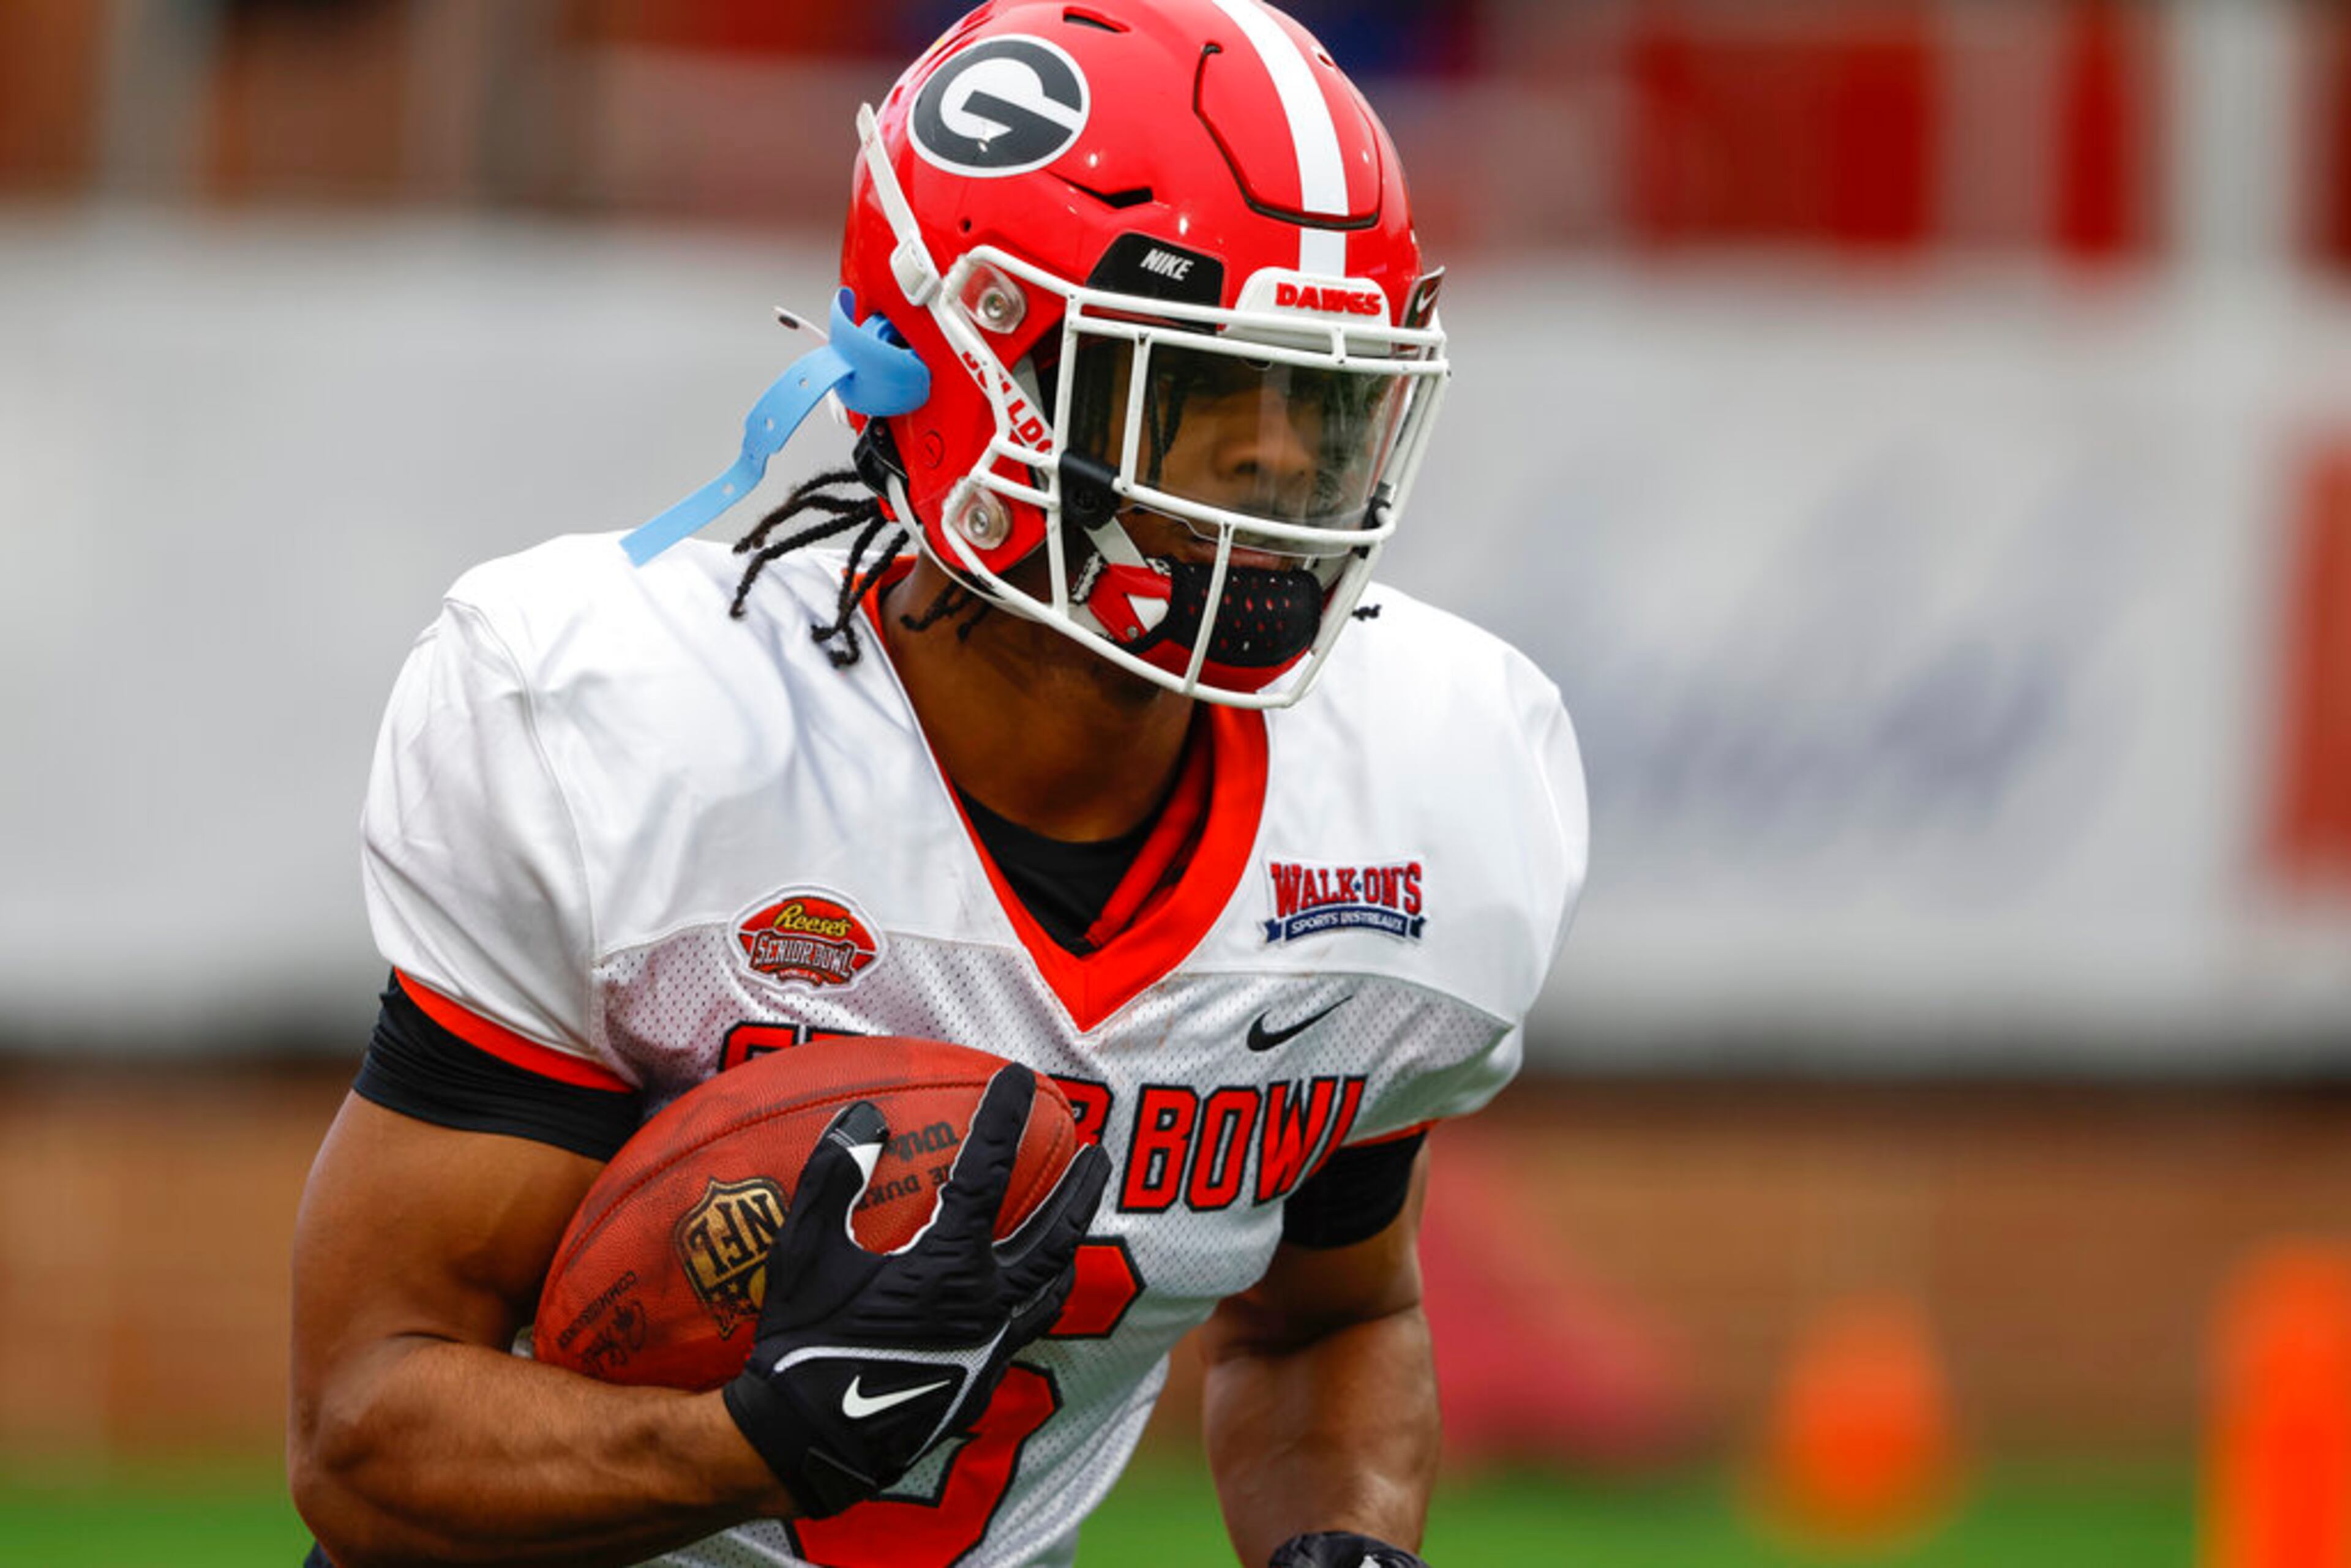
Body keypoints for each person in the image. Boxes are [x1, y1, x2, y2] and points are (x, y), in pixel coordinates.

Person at [287, 1, 1587, 1564]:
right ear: (976, 370)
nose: (1274, 487)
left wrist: (1347, 1546)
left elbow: (1327, 1322)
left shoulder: (1428, 785)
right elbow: (364, 1431)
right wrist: (747, 1444)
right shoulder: (632, 732)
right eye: (1200, 403)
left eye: (1319, 411)